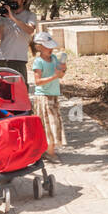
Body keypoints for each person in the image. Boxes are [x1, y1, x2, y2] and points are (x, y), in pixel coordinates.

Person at [30, 31, 67, 161]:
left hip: (54, 96)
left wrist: (62, 69)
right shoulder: (38, 62)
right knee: (48, 124)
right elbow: (37, 82)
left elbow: (60, 75)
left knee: (53, 123)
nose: (51, 49)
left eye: (51, 46)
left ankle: (47, 150)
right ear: (39, 46)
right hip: (43, 97)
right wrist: (54, 76)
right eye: (47, 46)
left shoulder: (54, 59)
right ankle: (49, 152)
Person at [0, 0, 37, 79]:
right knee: (2, 90)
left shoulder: (30, 16)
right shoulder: (4, 16)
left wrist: (12, 18)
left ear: (23, 0)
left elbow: (30, 30)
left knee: (19, 90)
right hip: (2, 59)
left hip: (19, 59)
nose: (14, 1)